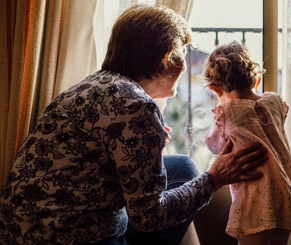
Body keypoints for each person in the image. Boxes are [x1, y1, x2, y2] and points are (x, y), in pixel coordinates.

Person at [0, 6, 268, 245]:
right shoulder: (137, 106)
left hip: (19, 230)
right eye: (182, 52)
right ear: (167, 57)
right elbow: (150, 217)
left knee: (183, 168)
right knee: (192, 179)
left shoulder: (92, 84)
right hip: (71, 237)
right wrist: (215, 179)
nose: (185, 64)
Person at [204, 41, 291, 245]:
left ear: (215, 90)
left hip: (255, 201)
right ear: (256, 81)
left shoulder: (226, 113)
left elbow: (215, 146)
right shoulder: (274, 101)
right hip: (286, 194)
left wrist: (220, 116)